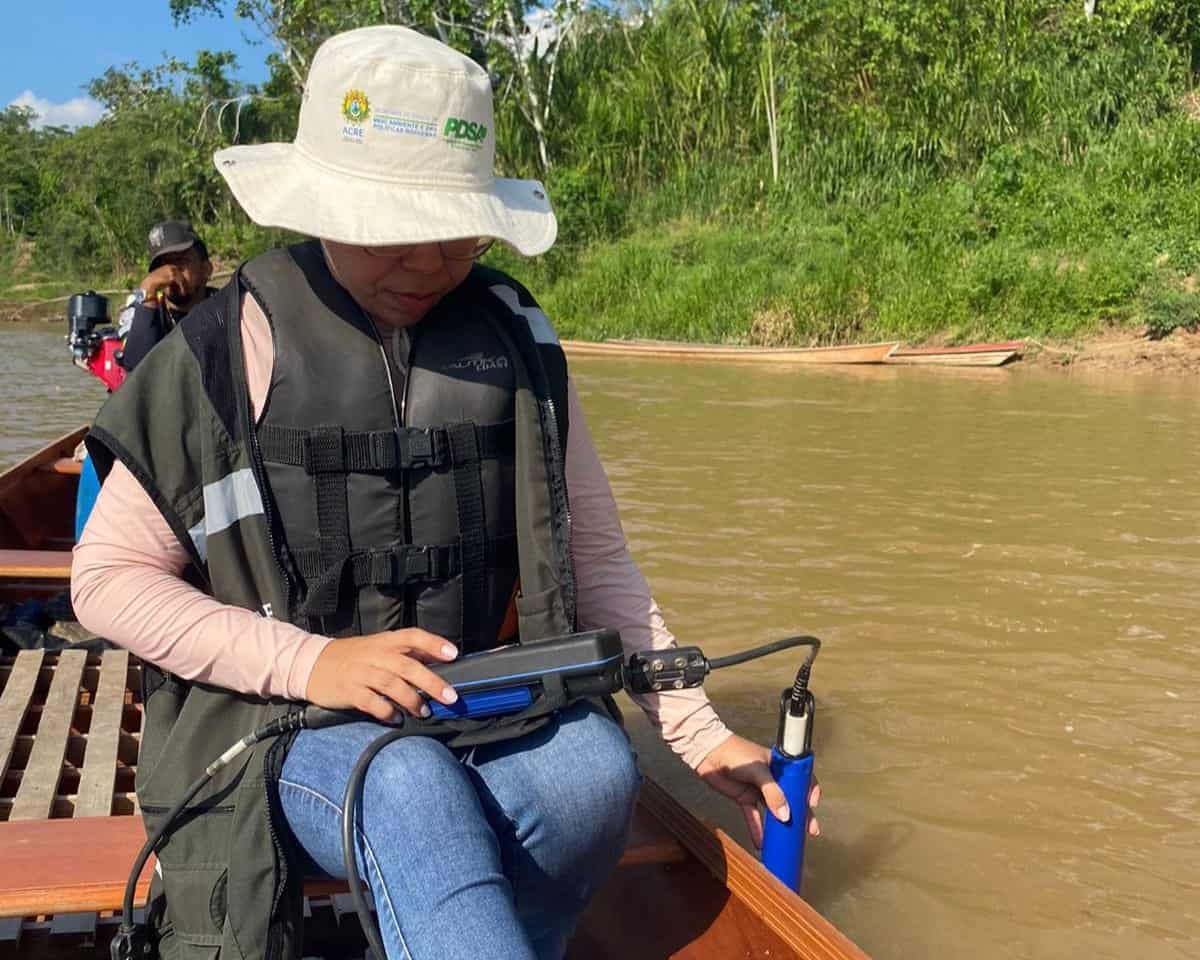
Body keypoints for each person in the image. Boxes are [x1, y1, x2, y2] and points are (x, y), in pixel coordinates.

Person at [71, 25, 819, 960]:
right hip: (291, 717)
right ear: (322, 208)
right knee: (410, 788)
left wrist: (703, 735)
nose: (429, 260)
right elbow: (104, 579)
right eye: (394, 229)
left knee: (593, 772)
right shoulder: (231, 347)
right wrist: (314, 665)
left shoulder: (515, 343)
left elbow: (595, 560)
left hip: (484, 698)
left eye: (454, 228)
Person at [116, 219, 216, 371]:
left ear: (206, 269)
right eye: (162, 266)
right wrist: (147, 290)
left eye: (182, 261)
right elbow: (136, 370)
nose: (170, 272)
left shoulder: (227, 306)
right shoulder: (140, 312)